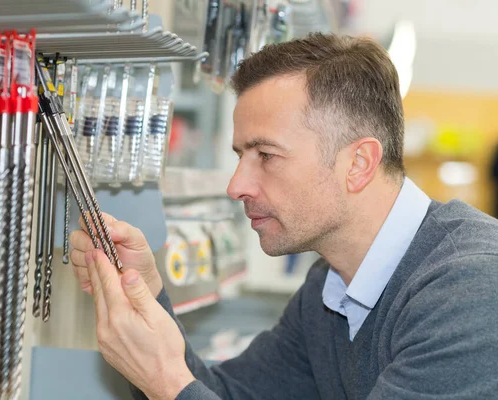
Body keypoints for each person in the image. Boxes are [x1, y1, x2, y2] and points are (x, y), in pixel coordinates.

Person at [68, 33, 498, 399]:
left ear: (359, 164)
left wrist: (167, 383)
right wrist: (144, 296)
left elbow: (182, 390)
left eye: (266, 155)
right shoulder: (331, 289)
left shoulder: (472, 292)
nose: (236, 185)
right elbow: (225, 393)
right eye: (241, 156)